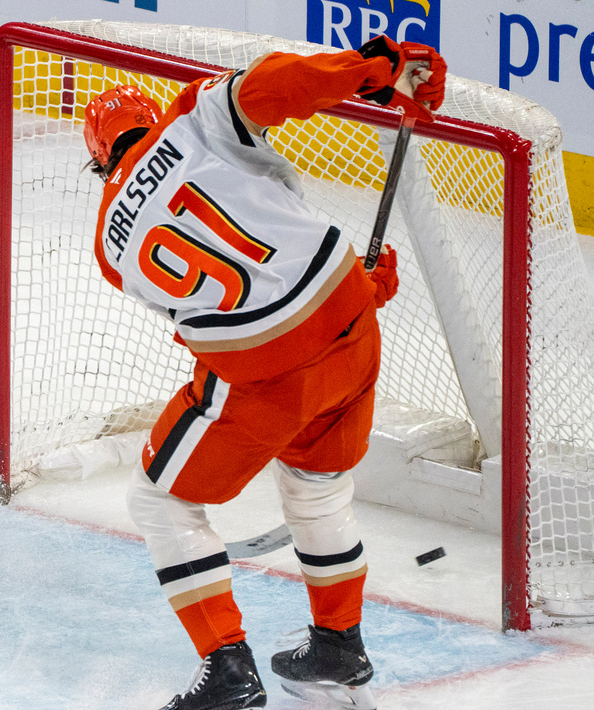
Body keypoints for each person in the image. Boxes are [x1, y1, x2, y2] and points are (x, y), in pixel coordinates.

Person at [82, 35, 445, 710]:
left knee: (159, 497)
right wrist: (369, 69)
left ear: (101, 160)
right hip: (351, 325)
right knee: (318, 488)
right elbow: (273, 86)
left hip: (265, 367)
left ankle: (227, 666)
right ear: (151, 117)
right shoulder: (191, 116)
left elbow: (218, 310)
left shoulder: (110, 243)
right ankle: (339, 644)